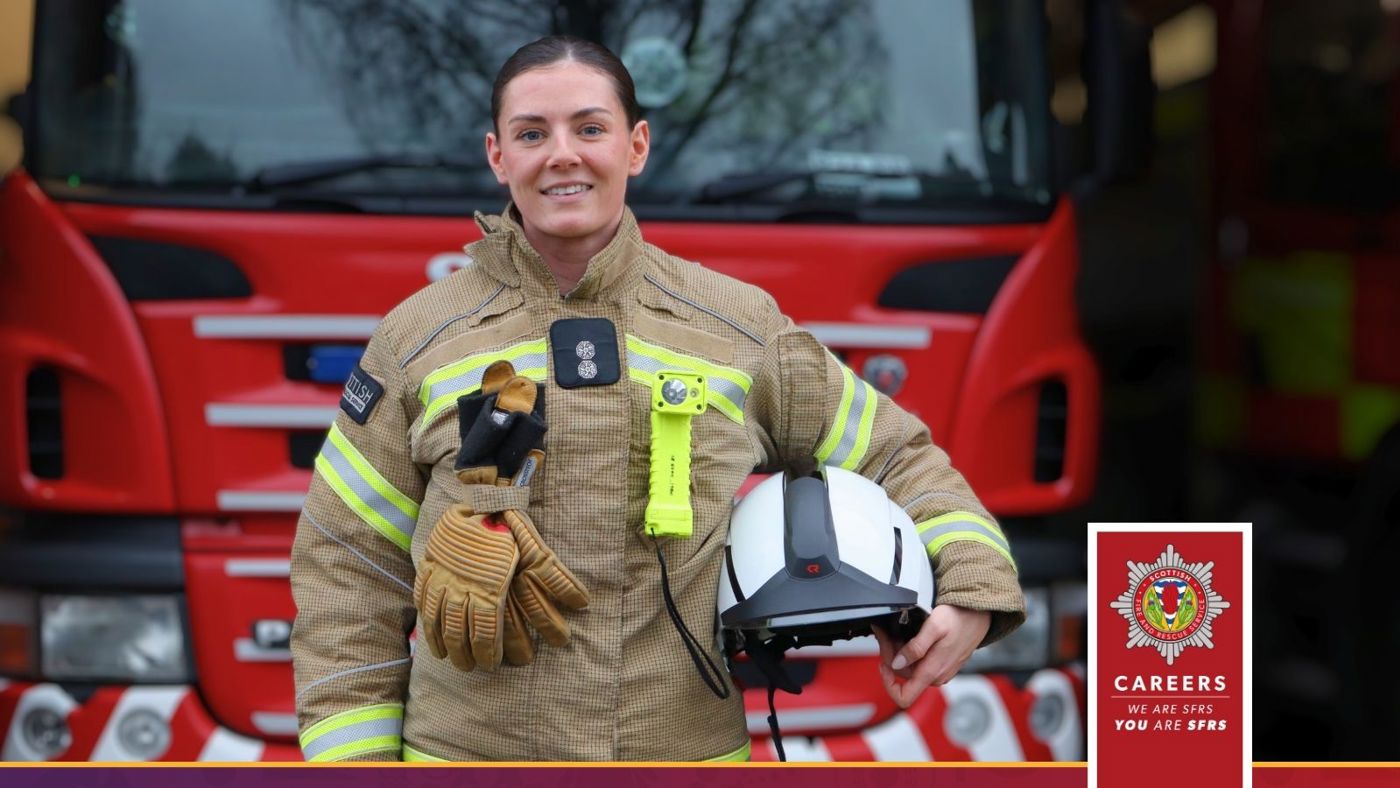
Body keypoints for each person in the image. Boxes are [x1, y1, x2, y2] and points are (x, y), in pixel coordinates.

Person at [289, 34, 1024, 763]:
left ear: (636, 146)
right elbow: (347, 565)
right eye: (532, 133)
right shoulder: (418, 339)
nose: (563, 154)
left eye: (590, 128)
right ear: (498, 156)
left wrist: (970, 586)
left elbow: (896, 454)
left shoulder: (734, 326)